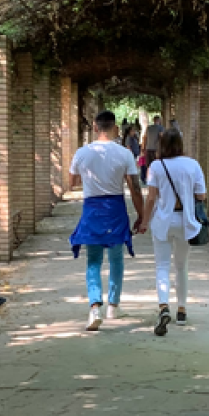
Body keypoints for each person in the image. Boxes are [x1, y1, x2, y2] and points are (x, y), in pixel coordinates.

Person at [69, 110, 145, 331]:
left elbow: (72, 181)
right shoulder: (124, 154)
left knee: (93, 260)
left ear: (94, 127)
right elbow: (135, 188)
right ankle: (113, 304)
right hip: (115, 208)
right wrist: (141, 216)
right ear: (115, 128)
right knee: (116, 259)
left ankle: (94, 307)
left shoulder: (82, 153)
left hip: (92, 208)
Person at [137, 129, 206, 337]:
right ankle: (182, 310)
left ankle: (164, 306)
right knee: (182, 266)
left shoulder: (156, 166)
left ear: (162, 145)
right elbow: (201, 195)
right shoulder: (192, 164)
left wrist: (144, 222)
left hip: (162, 222)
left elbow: (151, 199)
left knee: (162, 266)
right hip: (185, 221)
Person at [140, 115, 165, 183]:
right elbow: (161, 136)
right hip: (156, 150)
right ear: (159, 121)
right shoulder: (161, 128)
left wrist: (143, 148)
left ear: (154, 120)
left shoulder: (149, 128)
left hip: (148, 149)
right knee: (157, 165)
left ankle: (149, 180)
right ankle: (156, 180)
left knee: (148, 165)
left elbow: (145, 138)